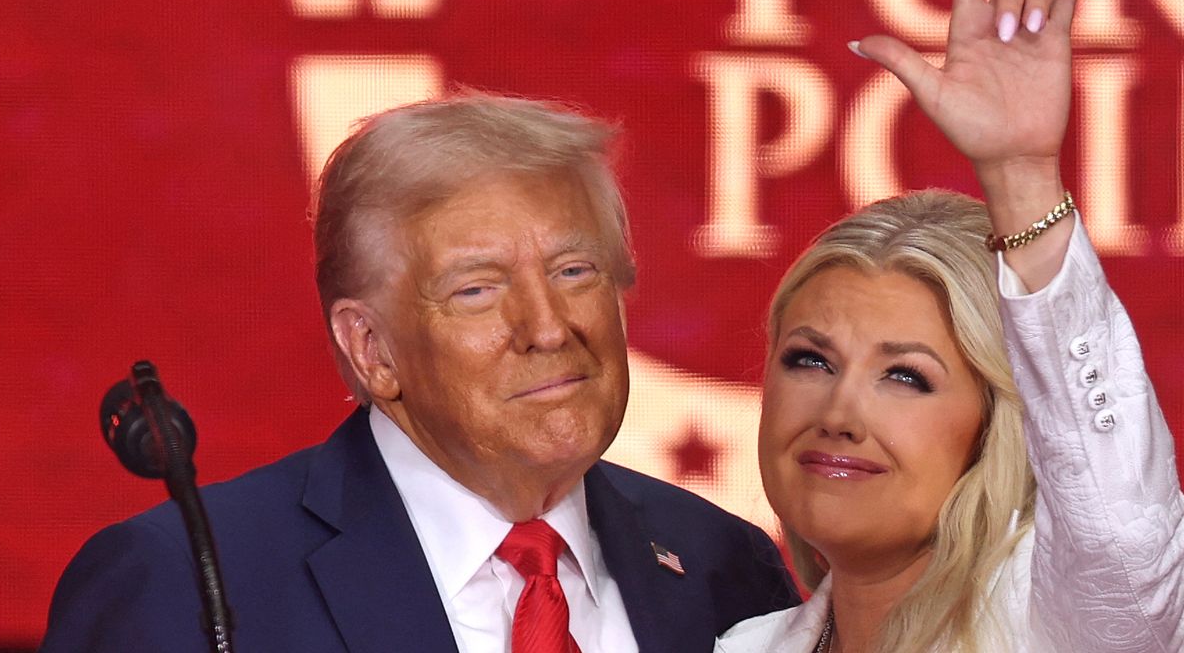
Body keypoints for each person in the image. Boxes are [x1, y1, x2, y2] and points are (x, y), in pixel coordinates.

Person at [42, 96, 798, 651]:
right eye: (477, 290)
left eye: (575, 271)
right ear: (372, 349)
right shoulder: (190, 583)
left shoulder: (723, 568)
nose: (547, 327)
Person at [717, 0, 1184, 651]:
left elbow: (1119, 538)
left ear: (992, 428)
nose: (838, 411)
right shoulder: (742, 646)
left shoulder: (1055, 625)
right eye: (809, 360)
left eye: (906, 376)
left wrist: (1020, 178)